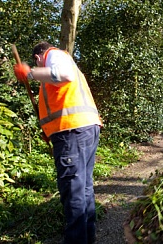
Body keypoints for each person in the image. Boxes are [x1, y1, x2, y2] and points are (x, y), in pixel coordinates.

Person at [13, 41, 102, 244]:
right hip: (84, 129)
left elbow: (64, 75)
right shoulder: (61, 62)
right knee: (84, 188)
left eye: (37, 63)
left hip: (72, 131)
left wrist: (30, 73)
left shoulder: (54, 55)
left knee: (73, 192)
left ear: (38, 57)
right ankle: (87, 238)